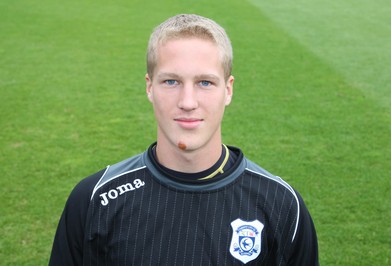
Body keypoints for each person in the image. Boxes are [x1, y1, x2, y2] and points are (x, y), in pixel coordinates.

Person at [49, 14, 319, 265]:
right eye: (171, 82)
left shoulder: (282, 206)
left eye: (205, 83)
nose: (187, 102)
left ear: (228, 90)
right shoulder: (94, 200)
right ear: (149, 87)